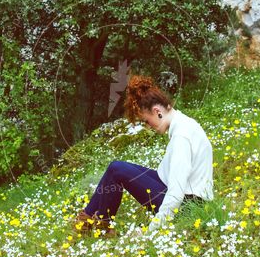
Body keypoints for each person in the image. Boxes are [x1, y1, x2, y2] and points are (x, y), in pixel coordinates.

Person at [75, 74, 214, 235]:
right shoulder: (185, 124)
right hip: (186, 198)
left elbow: (176, 194)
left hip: (188, 207)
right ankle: (87, 222)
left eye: (147, 121)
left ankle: (99, 226)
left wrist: (150, 231)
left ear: (157, 112)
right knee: (115, 169)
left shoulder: (181, 137)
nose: (148, 127)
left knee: (117, 168)